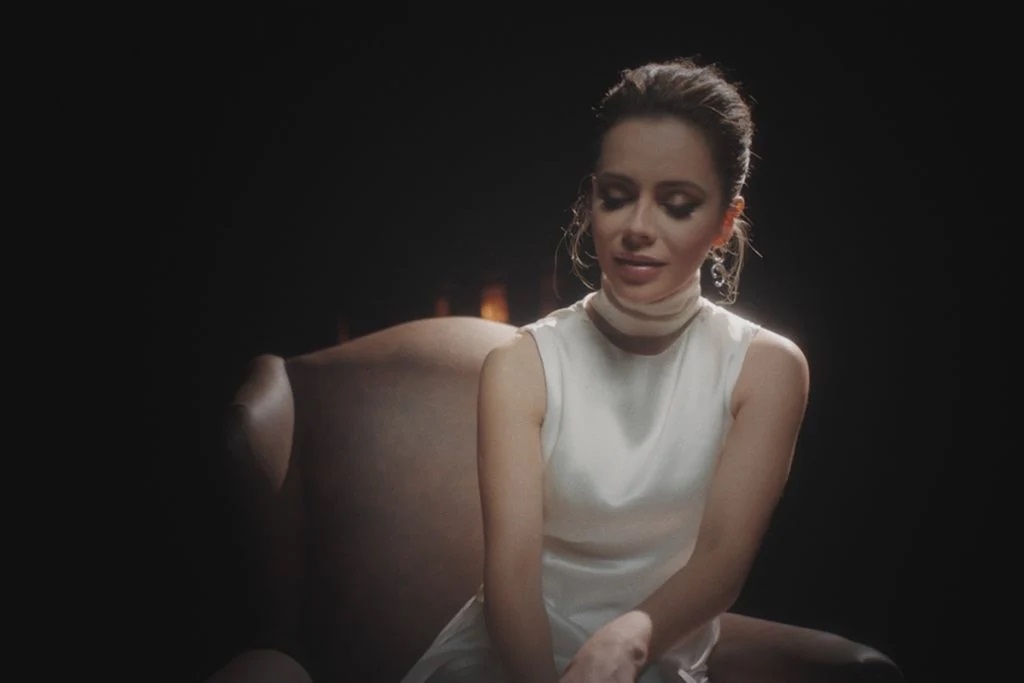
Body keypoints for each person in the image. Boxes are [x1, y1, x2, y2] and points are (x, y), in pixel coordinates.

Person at [401, 57, 809, 683]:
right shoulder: (522, 364)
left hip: (645, 661)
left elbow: (722, 561)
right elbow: (510, 577)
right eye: (616, 198)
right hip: (504, 663)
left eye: (677, 205)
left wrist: (630, 639)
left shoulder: (767, 369)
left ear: (725, 222)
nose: (637, 228)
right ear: (591, 200)